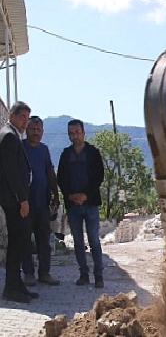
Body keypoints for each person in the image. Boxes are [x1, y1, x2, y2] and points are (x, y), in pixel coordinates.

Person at [57, 119, 105, 288]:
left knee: (94, 240)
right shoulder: (65, 154)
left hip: (90, 204)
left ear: (84, 133)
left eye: (77, 132)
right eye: (71, 133)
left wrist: (85, 195)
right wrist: (70, 196)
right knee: (78, 242)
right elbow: (60, 178)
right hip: (73, 206)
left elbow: (99, 176)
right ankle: (83, 274)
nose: (74, 136)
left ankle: (98, 276)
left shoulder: (93, 152)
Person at [0, 101, 38, 302]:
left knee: (20, 240)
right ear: (12, 116)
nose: (25, 122)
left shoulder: (12, 135)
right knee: (17, 242)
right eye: (22, 117)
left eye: (27, 118)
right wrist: (22, 200)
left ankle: (17, 284)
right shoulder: (8, 136)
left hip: (15, 199)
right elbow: (11, 173)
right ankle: (11, 288)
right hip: (14, 201)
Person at [21, 116, 60, 286]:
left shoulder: (44, 150)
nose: (36, 133)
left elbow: (50, 172)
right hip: (25, 203)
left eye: (38, 130)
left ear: (43, 132)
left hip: (42, 203)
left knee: (44, 240)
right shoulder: (20, 148)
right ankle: (28, 274)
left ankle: (44, 273)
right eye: (32, 129)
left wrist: (56, 194)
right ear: (26, 130)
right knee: (25, 240)